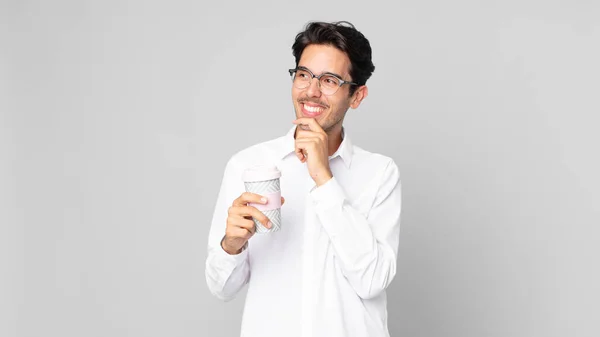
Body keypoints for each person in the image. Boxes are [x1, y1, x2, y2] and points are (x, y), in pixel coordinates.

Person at [205, 20, 402, 337]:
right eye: (303, 75)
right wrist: (231, 245)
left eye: (329, 80)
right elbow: (221, 288)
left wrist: (324, 177)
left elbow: (372, 280)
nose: (311, 90)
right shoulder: (248, 164)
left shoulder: (379, 173)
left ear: (357, 96)